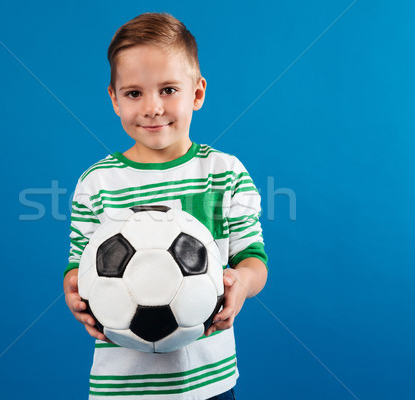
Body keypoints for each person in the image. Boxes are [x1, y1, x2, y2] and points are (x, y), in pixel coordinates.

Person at [63, 12, 268, 399]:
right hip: (120, 386)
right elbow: (77, 267)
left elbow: (253, 258)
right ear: (114, 99)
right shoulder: (97, 183)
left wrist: (242, 282)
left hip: (208, 382)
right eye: (134, 93)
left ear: (197, 92)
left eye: (169, 90)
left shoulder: (225, 173)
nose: (152, 107)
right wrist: (73, 291)